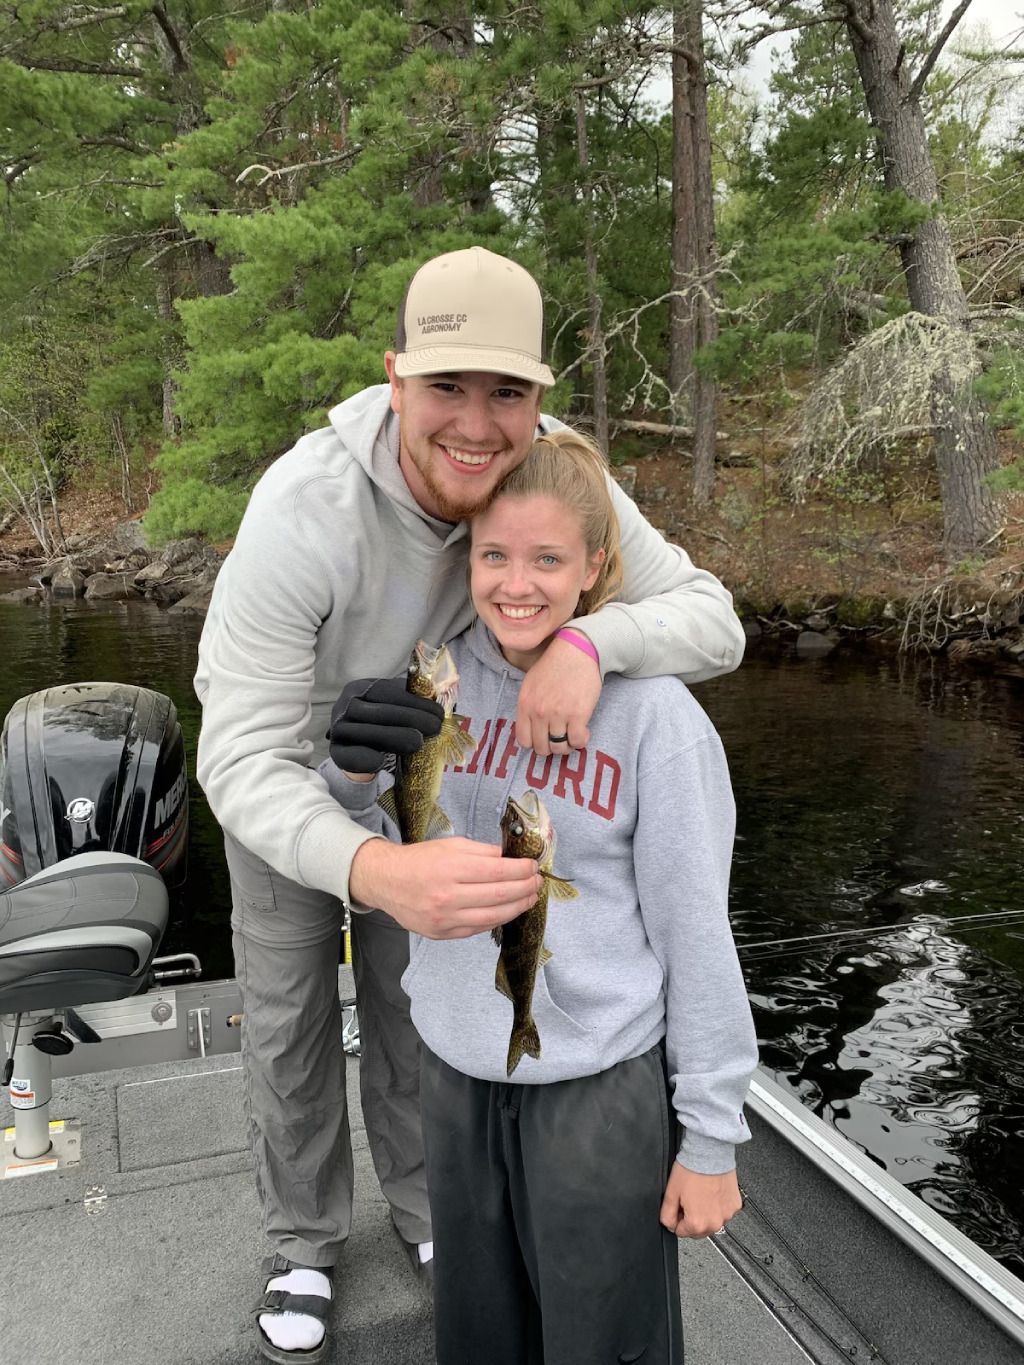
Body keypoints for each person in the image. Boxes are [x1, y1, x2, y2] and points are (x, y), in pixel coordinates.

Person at [194, 245, 746, 1364]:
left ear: (539, 399)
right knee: (294, 1017)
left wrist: (592, 641)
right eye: (448, 387)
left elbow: (708, 619)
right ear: (396, 377)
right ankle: (302, 1240)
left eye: (507, 392)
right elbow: (238, 756)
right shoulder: (303, 511)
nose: (478, 423)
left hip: (445, 773)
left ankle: (425, 1205)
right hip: (298, 785)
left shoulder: (542, 473)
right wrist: (371, 866)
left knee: (417, 1006)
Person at [321, 427, 758, 1365]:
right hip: (454, 1070)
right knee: (480, 1336)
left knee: (605, 1341)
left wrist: (712, 1136)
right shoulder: (434, 687)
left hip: (597, 1090)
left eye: (548, 558)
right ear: (464, 558)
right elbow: (396, 846)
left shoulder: (657, 723)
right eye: (493, 555)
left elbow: (697, 939)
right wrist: (354, 774)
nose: (516, 583)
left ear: (597, 566)